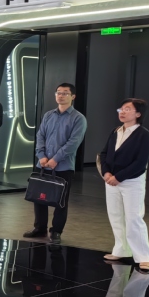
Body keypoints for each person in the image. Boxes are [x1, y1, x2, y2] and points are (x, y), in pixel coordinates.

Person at [23, 83, 87, 244]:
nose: (61, 95)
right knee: (39, 198)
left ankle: (56, 231)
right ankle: (39, 228)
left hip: (63, 167)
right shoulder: (48, 115)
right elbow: (40, 136)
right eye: (58, 92)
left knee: (60, 201)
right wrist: (41, 156)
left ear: (73, 96)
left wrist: (55, 159)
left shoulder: (78, 118)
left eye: (65, 93)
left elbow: (73, 143)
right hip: (43, 164)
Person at [100, 99, 149, 271]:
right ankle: (121, 250)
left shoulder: (144, 135)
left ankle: (144, 257)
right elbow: (104, 154)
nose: (122, 112)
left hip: (131, 182)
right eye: (121, 109)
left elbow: (140, 163)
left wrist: (119, 177)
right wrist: (106, 173)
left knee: (134, 218)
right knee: (116, 216)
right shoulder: (115, 131)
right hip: (111, 181)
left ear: (138, 114)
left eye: (127, 109)